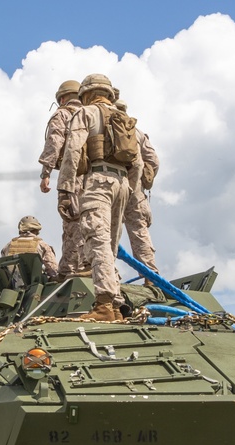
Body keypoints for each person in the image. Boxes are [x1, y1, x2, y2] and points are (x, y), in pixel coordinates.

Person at [57, 74, 144, 322]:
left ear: (86, 94)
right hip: (123, 185)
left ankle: (104, 304)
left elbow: (73, 151)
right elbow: (137, 164)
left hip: (98, 182)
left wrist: (65, 189)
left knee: (97, 241)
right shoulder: (126, 121)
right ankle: (116, 305)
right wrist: (130, 192)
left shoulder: (86, 114)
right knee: (110, 247)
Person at [37, 79, 88, 279]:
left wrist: (46, 173)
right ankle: (88, 264)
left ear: (63, 98)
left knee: (72, 223)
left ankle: (71, 270)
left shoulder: (63, 114)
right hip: (96, 179)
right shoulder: (90, 115)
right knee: (91, 221)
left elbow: (54, 141)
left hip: (72, 175)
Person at [115, 99, 161, 277]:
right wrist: (141, 179)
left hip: (110, 186)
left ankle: (110, 276)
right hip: (135, 190)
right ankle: (151, 276)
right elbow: (154, 161)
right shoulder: (138, 132)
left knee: (107, 233)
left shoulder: (101, 125)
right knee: (139, 233)